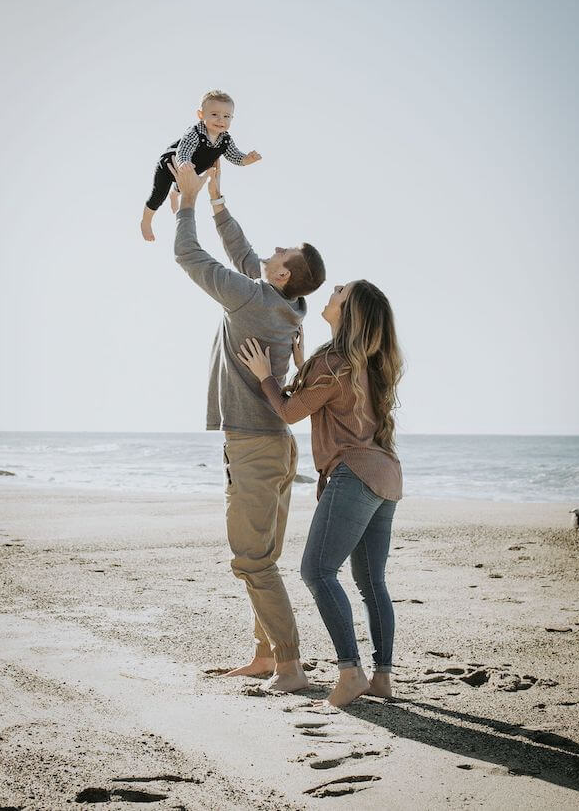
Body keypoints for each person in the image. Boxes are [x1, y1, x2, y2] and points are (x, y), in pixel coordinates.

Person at [170, 158, 326, 693]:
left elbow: (188, 256)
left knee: (253, 561)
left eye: (282, 253)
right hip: (275, 445)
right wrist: (217, 199)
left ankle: (289, 666)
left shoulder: (255, 297)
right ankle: (265, 656)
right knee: (266, 558)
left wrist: (186, 201)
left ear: (282, 274)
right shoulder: (288, 302)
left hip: (256, 446)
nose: (274, 247)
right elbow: (242, 253)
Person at [238, 279, 403, 707]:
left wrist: (265, 378)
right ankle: (381, 677)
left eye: (340, 292)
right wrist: (299, 367)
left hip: (356, 474)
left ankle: (350, 672)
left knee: (316, 571)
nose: (332, 290)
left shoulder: (334, 362)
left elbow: (291, 411)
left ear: (348, 313)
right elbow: (323, 398)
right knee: (371, 583)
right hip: (386, 475)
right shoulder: (360, 363)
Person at [140, 90, 262, 242]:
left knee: (186, 185)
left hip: (192, 170)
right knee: (158, 195)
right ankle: (146, 222)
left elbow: (234, 156)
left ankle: (175, 194)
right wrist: (183, 161)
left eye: (226, 116)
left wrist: (246, 160)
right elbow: (184, 149)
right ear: (201, 115)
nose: (220, 120)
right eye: (214, 114)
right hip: (170, 165)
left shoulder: (225, 140)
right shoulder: (195, 132)